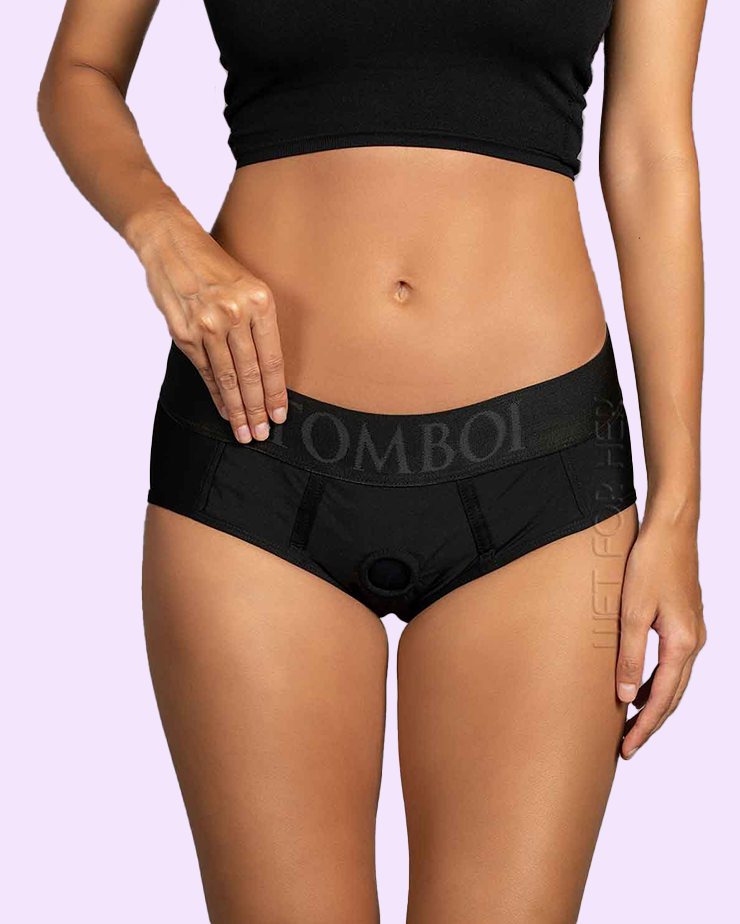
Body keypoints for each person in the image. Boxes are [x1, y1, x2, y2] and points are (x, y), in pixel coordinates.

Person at [39, 1, 708, 921]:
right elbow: (78, 73)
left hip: (544, 471)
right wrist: (167, 237)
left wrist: (678, 511)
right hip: (255, 451)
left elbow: (652, 153)